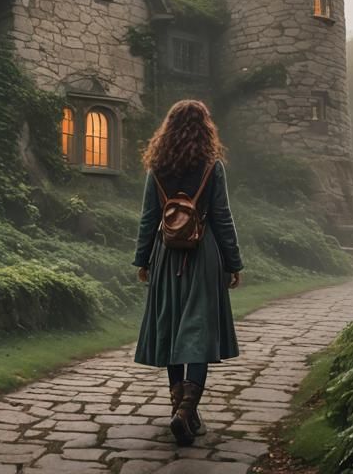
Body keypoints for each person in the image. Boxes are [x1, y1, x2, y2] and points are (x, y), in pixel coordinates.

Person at [132, 99, 243, 446]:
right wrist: (233, 262)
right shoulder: (213, 166)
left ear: (168, 129)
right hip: (203, 254)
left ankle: (179, 408)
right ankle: (186, 412)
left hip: (167, 255)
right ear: (204, 129)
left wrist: (143, 260)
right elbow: (222, 217)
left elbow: (150, 218)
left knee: (171, 328)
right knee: (197, 330)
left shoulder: (157, 168)